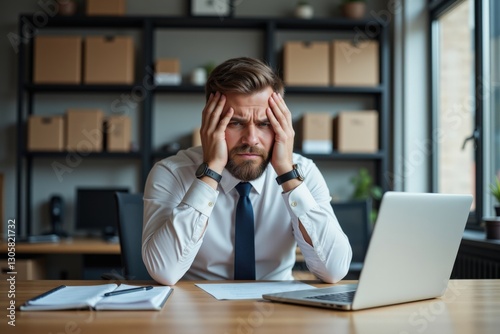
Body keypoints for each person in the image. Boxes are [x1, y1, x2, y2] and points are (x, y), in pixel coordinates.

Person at [142, 57, 352, 285]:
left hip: (277, 308)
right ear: (210, 123)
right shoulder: (171, 173)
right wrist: (211, 171)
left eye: (264, 124)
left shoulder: (304, 173)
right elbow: (164, 271)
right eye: (236, 123)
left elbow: (334, 271)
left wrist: (287, 173)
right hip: (199, 307)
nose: (251, 139)